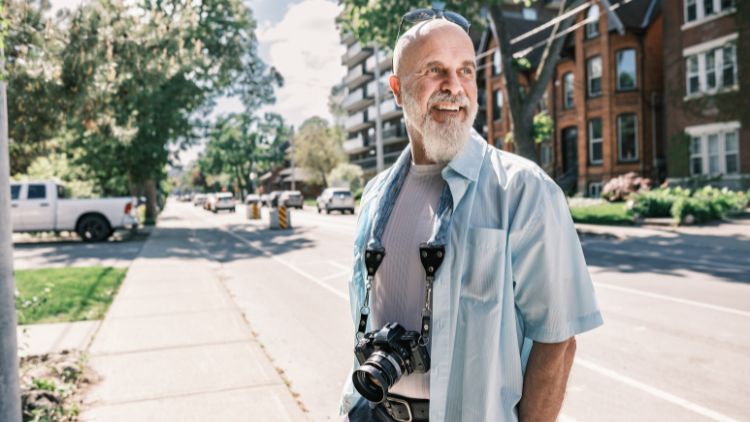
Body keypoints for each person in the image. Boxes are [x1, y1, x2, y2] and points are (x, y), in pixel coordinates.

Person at [341, 9, 603, 422]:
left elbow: (557, 341)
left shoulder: (522, 190)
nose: (454, 87)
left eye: (465, 71)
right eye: (434, 70)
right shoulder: (374, 196)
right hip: (371, 412)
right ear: (396, 89)